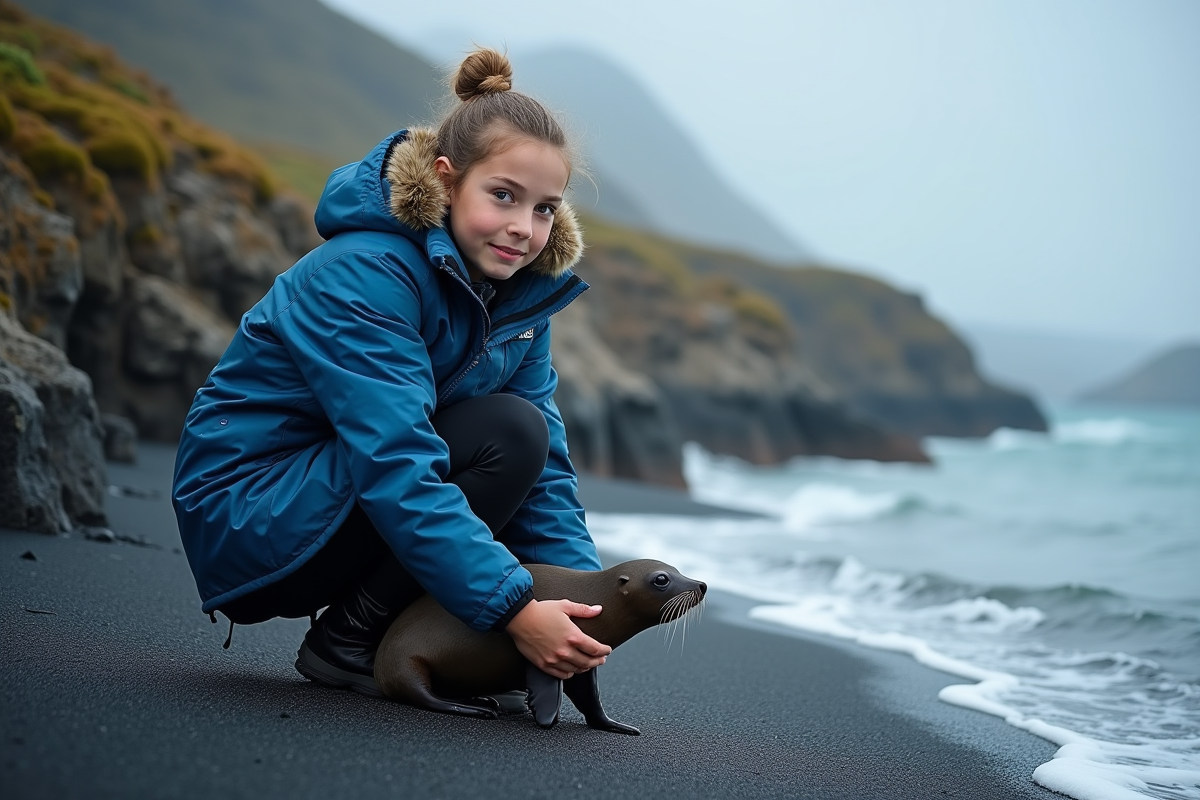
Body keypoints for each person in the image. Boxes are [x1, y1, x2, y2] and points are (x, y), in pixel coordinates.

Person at [171, 48, 611, 698]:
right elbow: (396, 456)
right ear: (445, 179)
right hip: (250, 513)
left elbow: (547, 476)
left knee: (525, 441)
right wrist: (517, 609)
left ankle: (386, 629)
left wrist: (585, 612)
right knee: (507, 431)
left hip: (338, 497)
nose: (524, 228)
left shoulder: (519, 299)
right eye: (503, 196)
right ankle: (349, 639)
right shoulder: (367, 273)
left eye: (545, 208)